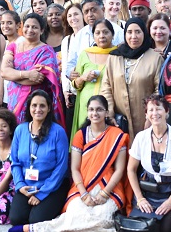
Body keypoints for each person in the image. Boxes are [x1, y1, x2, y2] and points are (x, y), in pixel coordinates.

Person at [24, 95, 131, 231]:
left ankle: (41, 229)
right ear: (87, 112)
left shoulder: (117, 135)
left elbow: (119, 170)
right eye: (91, 109)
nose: (95, 113)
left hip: (109, 187)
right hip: (82, 186)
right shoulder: (80, 135)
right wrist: (84, 194)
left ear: (106, 112)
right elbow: (74, 169)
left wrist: (104, 193)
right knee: (75, 213)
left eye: (99, 109)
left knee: (103, 217)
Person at [127, 95, 171, 232]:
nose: (155, 113)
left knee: (164, 229)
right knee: (141, 228)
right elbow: (131, 169)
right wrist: (140, 198)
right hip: (147, 194)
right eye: (151, 110)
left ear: (167, 112)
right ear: (146, 114)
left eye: (158, 109)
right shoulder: (141, 137)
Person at [8, 89, 69, 227]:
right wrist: (20, 185)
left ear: (49, 109)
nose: (38, 109)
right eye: (34, 105)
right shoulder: (20, 130)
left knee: (36, 220)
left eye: (42, 106)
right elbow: (15, 163)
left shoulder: (58, 132)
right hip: (27, 185)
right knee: (17, 218)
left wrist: (42, 194)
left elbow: (61, 167)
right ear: (29, 108)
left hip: (52, 186)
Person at [101, 17, 163, 142]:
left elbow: (159, 90)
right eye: (129, 32)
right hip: (119, 120)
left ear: (144, 34)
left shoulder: (155, 58)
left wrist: (151, 117)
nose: (133, 36)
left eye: (138, 32)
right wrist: (110, 114)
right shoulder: (114, 57)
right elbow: (106, 87)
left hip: (145, 119)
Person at [1, 13, 63, 122]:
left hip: (35, 104)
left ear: (42, 30)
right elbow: (4, 72)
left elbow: (37, 79)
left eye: (34, 27)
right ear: (22, 27)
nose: (30, 30)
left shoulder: (46, 51)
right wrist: (27, 74)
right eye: (27, 26)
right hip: (13, 101)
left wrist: (13, 76)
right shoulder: (13, 46)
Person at [70, 19, 117, 135]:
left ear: (113, 34)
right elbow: (75, 86)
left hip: (109, 108)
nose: (102, 36)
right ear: (93, 36)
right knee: (85, 138)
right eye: (98, 33)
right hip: (86, 108)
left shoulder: (118, 54)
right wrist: (82, 78)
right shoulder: (85, 54)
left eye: (106, 32)